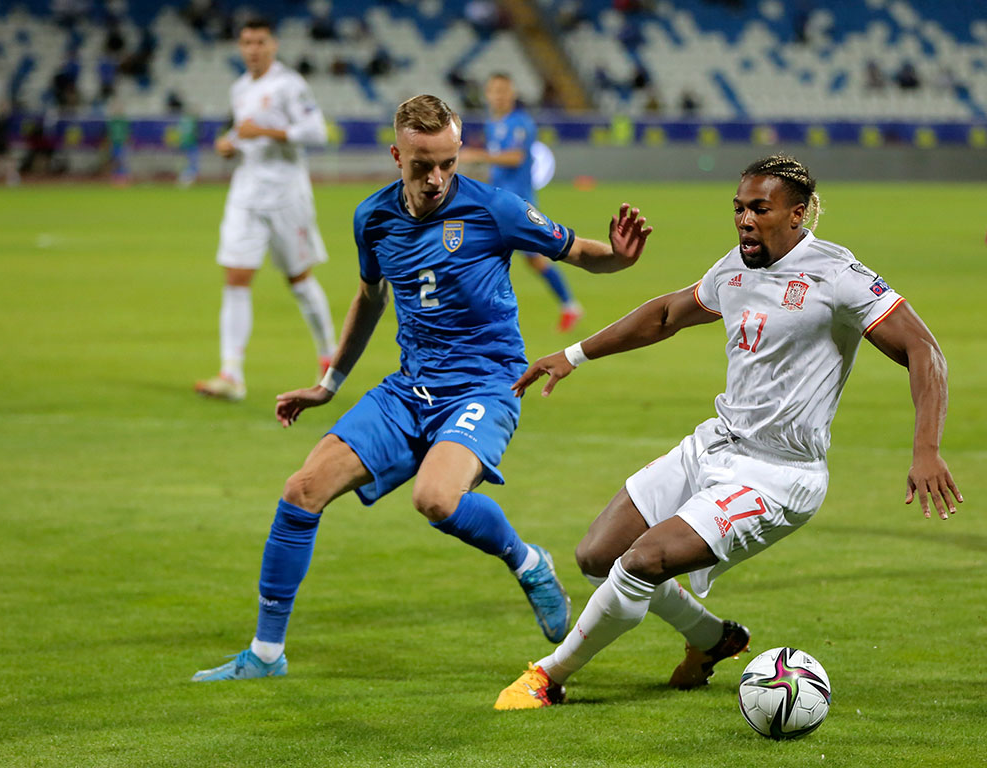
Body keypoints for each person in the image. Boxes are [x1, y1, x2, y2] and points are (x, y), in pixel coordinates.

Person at [191, 94, 653, 682]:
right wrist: (329, 382)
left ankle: (528, 559)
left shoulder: (495, 209)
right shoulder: (373, 218)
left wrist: (619, 256)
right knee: (302, 489)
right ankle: (264, 655)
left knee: (435, 499)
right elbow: (369, 298)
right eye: (421, 165)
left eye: (447, 164)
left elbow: (581, 252)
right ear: (396, 156)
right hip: (409, 390)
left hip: (486, 385)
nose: (436, 179)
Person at [495, 154, 963, 709]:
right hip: (716, 444)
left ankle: (549, 677)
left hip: (778, 476)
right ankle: (713, 639)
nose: (744, 219)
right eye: (738, 208)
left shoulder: (836, 274)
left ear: (798, 215)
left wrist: (926, 448)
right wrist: (574, 354)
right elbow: (667, 313)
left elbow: (922, 349)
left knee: (643, 560)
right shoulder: (735, 268)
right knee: (598, 554)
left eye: (759, 209)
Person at [195, 17, 336, 402]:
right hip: (246, 193)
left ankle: (329, 361)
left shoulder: (289, 85)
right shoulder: (240, 88)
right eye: (246, 42)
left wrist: (267, 134)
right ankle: (231, 374)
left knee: (300, 281)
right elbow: (248, 134)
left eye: (259, 42)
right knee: (236, 277)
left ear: (273, 45)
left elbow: (317, 132)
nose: (252, 49)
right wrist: (231, 143)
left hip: (286, 196)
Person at [461, 73, 584, 332]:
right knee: (517, 256)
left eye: (504, 91)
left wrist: (477, 155)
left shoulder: (521, 123)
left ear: (512, 94)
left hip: (518, 202)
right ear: (487, 95)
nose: (499, 96)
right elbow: (499, 164)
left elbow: (515, 158)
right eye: (494, 91)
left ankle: (568, 305)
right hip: (498, 201)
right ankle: (569, 306)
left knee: (489, 251)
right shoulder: (493, 123)